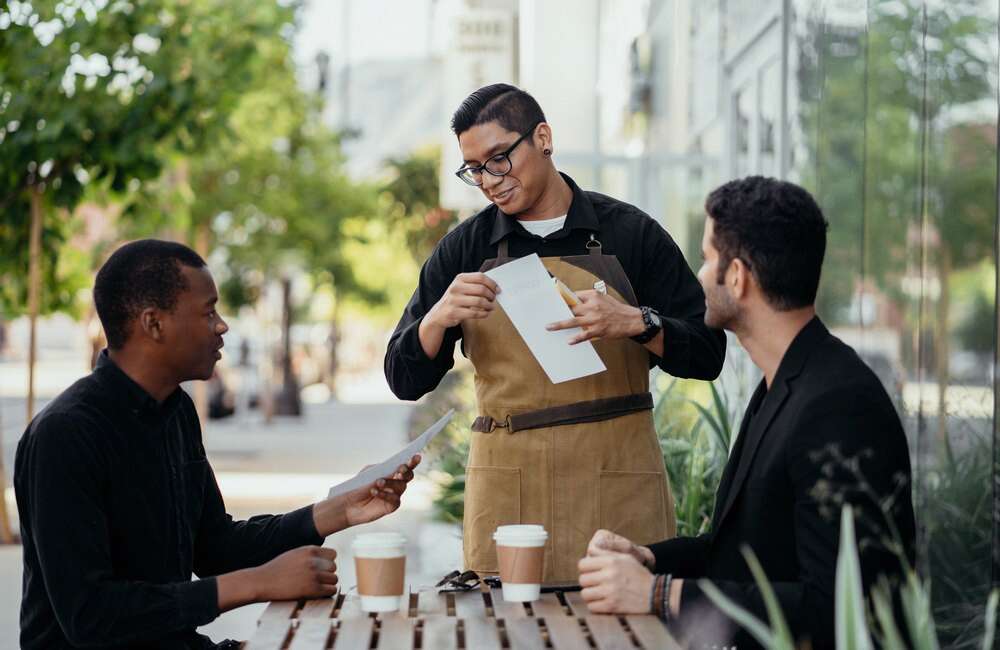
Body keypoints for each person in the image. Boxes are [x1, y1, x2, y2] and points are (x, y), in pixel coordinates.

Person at [385, 83, 726, 583]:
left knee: (623, 620)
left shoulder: (632, 234)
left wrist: (637, 322)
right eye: (475, 169)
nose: (489, 181)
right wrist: (437, 318)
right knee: (506, 622)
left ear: (542, 138)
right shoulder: (464, 250)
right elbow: (403, 378)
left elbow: (708, 354)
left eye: (499, 159)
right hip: (508, 491)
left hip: (618, 484)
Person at [14, 240, 420, 649]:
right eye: (208, 312)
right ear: (153, 324)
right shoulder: (66, 434)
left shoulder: (175, 411)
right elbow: (90, 616)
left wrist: (338, 510)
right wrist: (258, 583)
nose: (222, 326)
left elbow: (216, 547)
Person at [576, 177, 917, 648]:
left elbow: (839, 609)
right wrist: (649, 559)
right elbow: (744, 556)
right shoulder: (786, 381)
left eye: (706, 258)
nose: (700, 275)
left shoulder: (838, 406)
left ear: (737, 276)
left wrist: (659, 594)